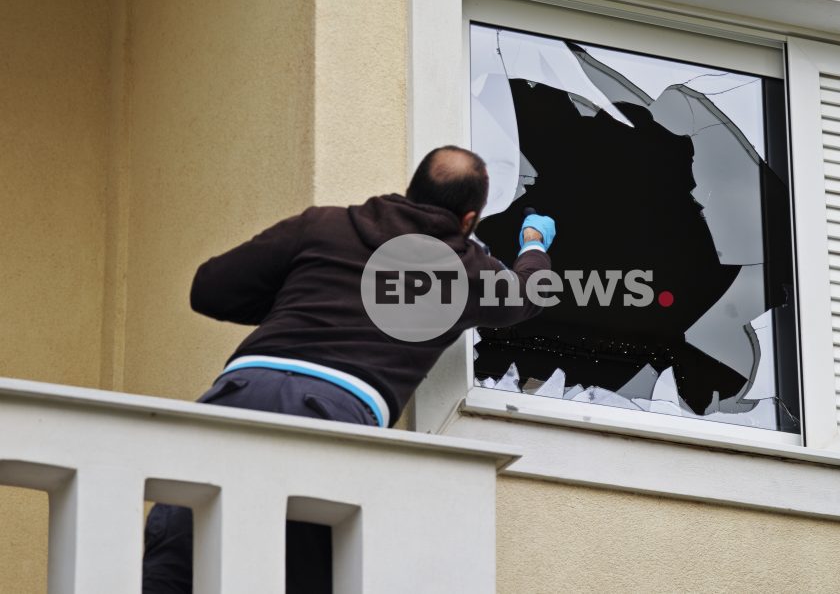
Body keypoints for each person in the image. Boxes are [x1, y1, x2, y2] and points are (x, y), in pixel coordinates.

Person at [142, 145, 556, 593]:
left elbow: (209, 289)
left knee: (175, 570)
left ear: (410, 191)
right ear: (468, 220)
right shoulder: (464, 269)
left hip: (237, 395)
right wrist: (532, 244)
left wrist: (295, 300)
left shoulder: (324, 225)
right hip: (332, 415)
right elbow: (530, 293)